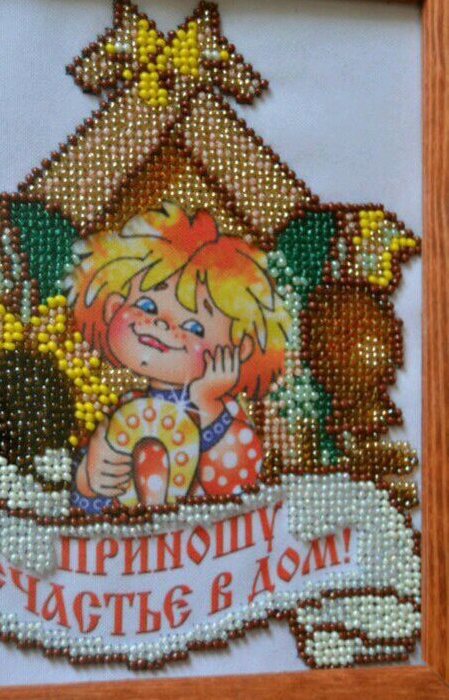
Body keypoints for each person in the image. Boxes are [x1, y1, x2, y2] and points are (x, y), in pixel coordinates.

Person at [65, 201, 289, 513]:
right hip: (131, 541)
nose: (162, 325)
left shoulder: (222, 413)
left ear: (239, 349)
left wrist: (207, 404)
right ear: (114, 307)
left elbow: (239, 488)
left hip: (209, 541)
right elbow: (86, 507)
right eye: (147, 307)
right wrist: (90, 480)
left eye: (194, 327)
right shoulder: (127, 409)